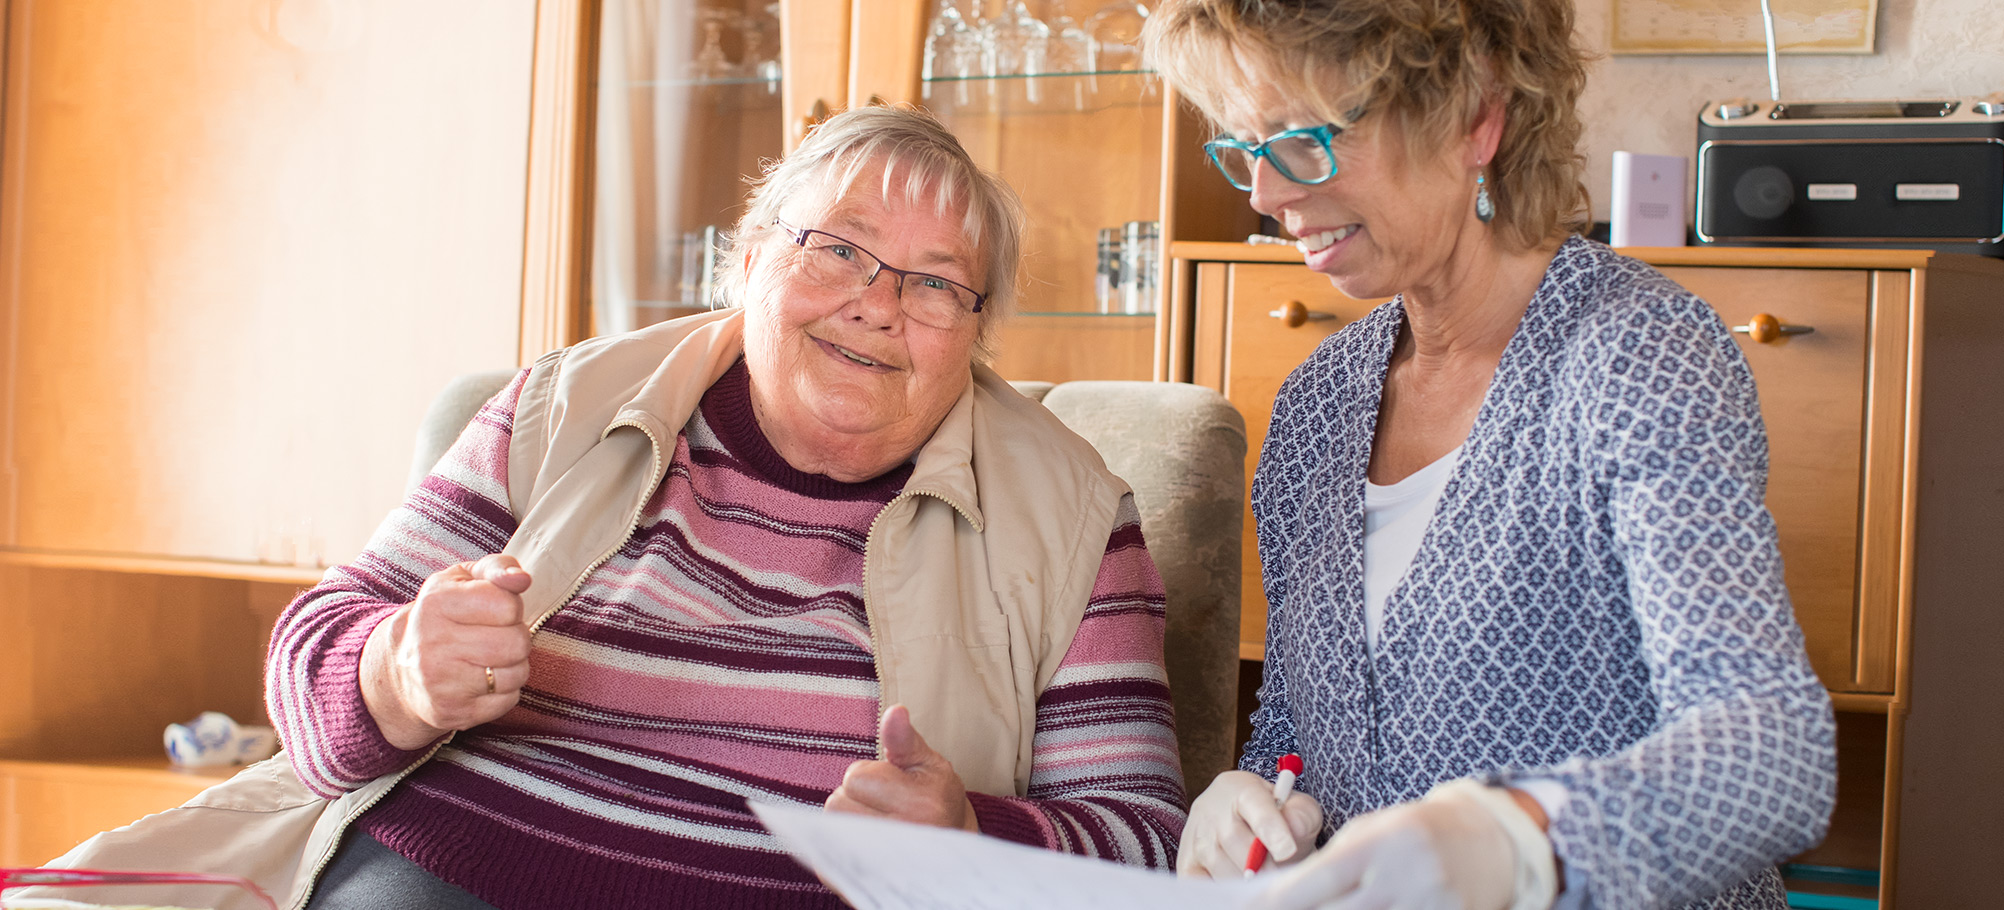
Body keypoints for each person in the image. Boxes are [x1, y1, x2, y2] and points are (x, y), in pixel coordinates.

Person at [265, 105, 1185, 909]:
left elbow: (1149, 844)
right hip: (449, 875)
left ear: (977, 335)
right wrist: (395, 674)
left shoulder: (1071, 517)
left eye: (937, 283)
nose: (878, 306)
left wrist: (974, 841)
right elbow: (313, 661)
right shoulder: (564, 405)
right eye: (838, 250)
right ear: (747, 263)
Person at [1143, 0, 1836, 907]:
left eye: (1304, 139)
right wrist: (1248, 797)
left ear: (1476, 116)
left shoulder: (1636, 355)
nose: (1265, 195)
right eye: (1245, 149)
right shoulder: (1320, 399)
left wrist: (1521, 842)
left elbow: (1772, 755)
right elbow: (1304, 729)